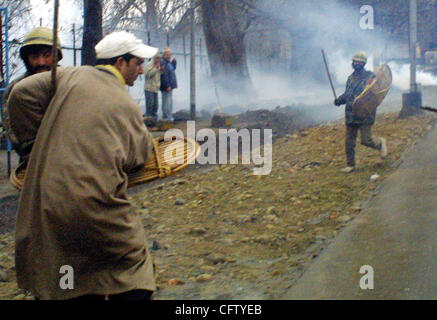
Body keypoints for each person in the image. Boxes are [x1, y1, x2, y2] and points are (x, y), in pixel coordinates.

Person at [7, 31, 158, 300]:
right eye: (137, 63)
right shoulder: (127, 104)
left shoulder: (69, 76)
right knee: (133, 264)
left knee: (68, 268)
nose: (141, 70)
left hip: (47, 201)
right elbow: (138, 157)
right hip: (95, 203)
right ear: (120, 63)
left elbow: (20, 93)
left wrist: (38, 143)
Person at [2, 27, 63, 165]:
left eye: (47, 55)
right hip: (33, 162)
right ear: (26, 59)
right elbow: (13, 131)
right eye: (35, 57)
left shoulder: (69, 84)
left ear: (57, 56)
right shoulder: (16, 89)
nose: (41, 62)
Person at [334, 51, 387, 173]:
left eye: (359, 62)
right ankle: (351, 165)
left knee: (366, 140)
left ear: (364, 63)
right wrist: (339, 100)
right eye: (355, 61)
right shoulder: (350, 78)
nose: (356, 64)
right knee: (349, 141)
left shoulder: (371, 77)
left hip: (365, 113)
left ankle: (380, 144)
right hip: (351, 113)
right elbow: (348, 94)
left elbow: (374, 92)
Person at [160, 47, 177, 120]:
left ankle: (169, 116)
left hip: (170, 85)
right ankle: (166, 116)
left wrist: (174, 63)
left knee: (169, 102)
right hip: (166, 86)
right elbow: (164, 75)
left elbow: (172, 70)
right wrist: (168, 85)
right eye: (167, 54)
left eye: (170, 54)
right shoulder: (164, 62)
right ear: (164, 55)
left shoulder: (168, 62)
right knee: (167, 102)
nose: (169, 56)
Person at [144, 53, 163, 121]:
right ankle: (148, 120)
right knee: (150, 105)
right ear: (154, 58)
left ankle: (154, 120)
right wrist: (155, 68)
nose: (158, 60)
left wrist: (161, 70)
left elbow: (158, 76)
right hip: (149, 88)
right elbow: (148, 75)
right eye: (157, 58)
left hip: (155, 88)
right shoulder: (149, 65)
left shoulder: (159, 66)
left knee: (155, 106)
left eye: (159, 58)